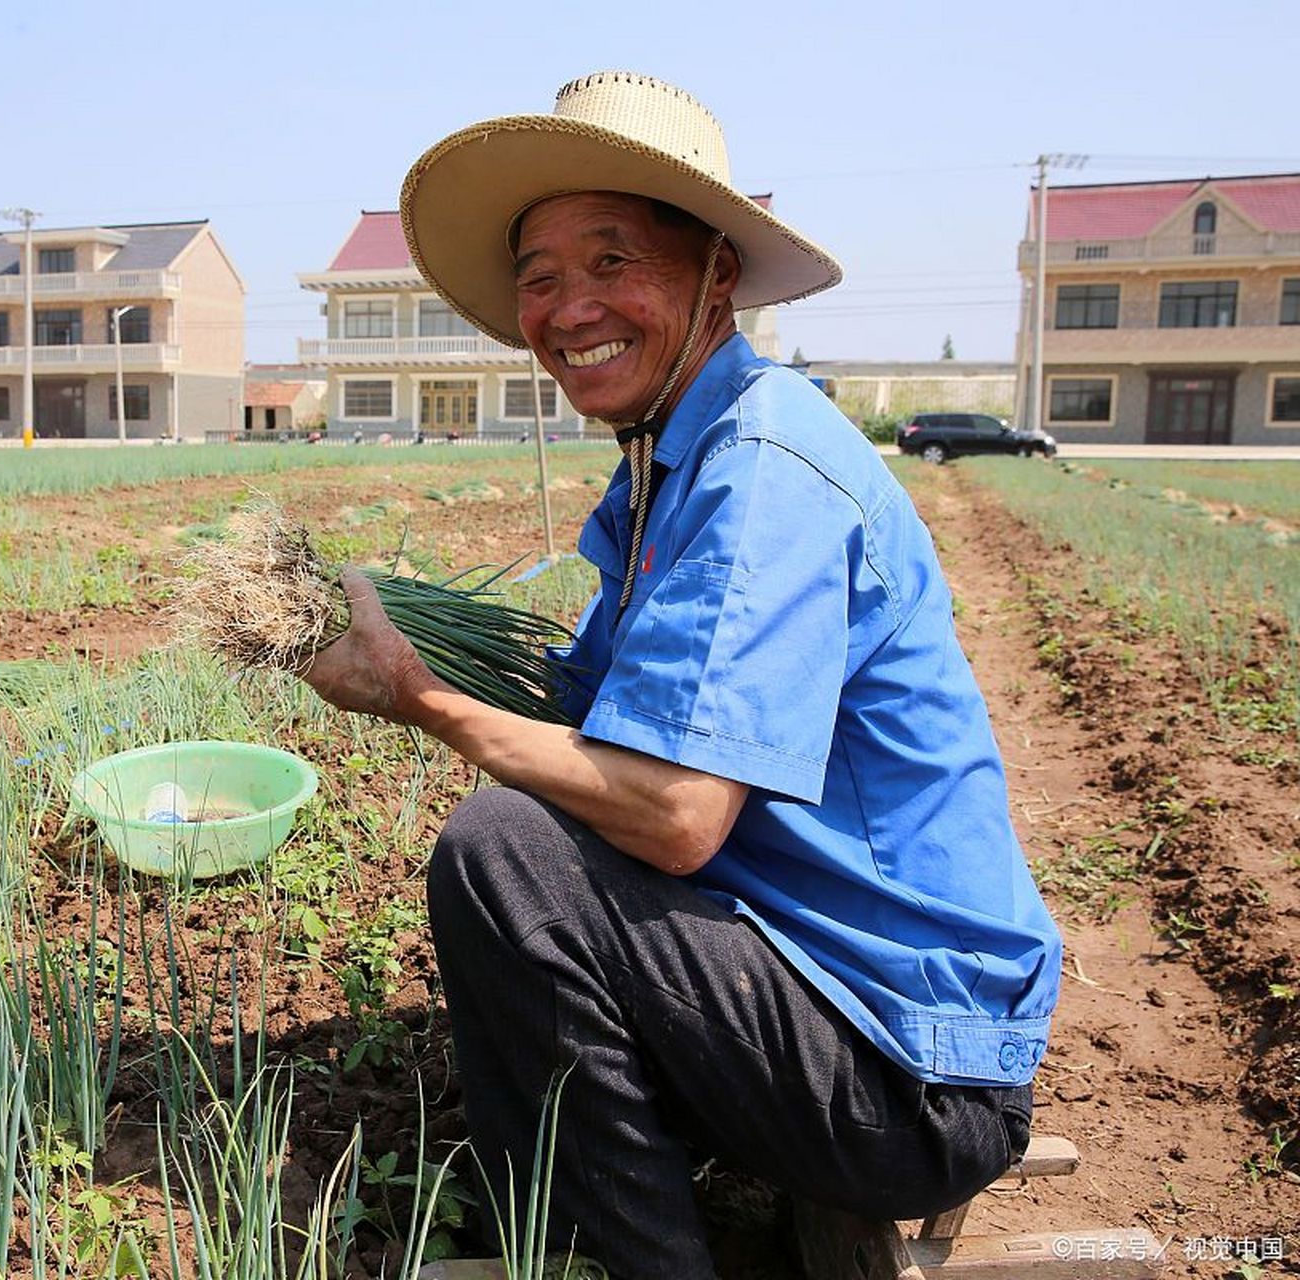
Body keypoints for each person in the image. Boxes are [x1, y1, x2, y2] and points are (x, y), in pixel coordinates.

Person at [299, 73, 1060, 1277]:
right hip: (830, 989)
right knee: (523, 847)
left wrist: (423, 695)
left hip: (908, 1065)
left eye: (612, 261)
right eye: (540, 278)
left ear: (715, 272)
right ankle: (567, 1215)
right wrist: (417, 637)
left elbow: (677, 810)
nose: (568, 306)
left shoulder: (761, 467)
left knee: (504, 853)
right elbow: (586, 710)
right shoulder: (670, 462)